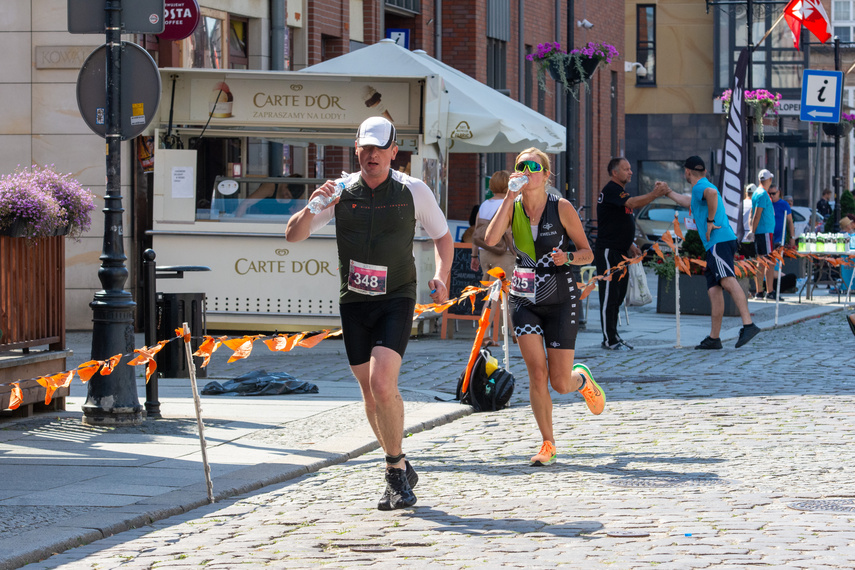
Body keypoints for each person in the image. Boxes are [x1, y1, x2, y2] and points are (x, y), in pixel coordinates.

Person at [285, 116, 453, 510]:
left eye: (380, 148)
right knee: (369, 393)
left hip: (396, 296)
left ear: (395, 152)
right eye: (366, 147)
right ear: (356, 149)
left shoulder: (414, 190)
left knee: (382, 383)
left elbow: (443, 238)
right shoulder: (341, 191)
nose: (372, 155)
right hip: (354, 301)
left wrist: (443, 275)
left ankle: (394, 473)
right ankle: (401, 461)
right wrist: (313, 205)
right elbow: (293, 235)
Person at [484, 147, 605, 467]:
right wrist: (508, 199)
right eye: (520, 166)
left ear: (546, 175)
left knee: (559, 382)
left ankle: (582, 380)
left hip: (560, 300)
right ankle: (547, 443)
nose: (526, 171)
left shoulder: (561, 207)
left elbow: (587, 253)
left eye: (532, 166)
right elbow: (491, 238)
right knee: (537, 373)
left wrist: (569, 258)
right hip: (524, 300)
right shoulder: (513, 207)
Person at [659, 156, 761, 350]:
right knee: (715, 290)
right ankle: (714, 338)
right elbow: (690, 202)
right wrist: (669, 192)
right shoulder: (701, 188)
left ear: (687, 172)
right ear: (704, 171)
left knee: (728, 280)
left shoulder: (701, 187)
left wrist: (709, 221)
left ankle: (748, 325)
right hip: (718, 243)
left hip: (718, 242)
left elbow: (712, 194)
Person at [594, 157, 668, 350]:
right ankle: (608, 339)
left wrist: (631, 243)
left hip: (622, 251)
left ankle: (614, 336)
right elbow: (633, 203)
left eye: (630, 168)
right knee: (609, 296)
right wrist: (654, 194)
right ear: (615, 172)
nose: (630, 172)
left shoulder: (621, 191)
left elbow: (620, 220)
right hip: (608, 251)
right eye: (626, 169)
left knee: (618, 296)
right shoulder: (611, 189)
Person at [472, 170, 516, 278]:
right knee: (500, 289)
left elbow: (476, 231)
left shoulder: (484, 205)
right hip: (503, 253)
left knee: (487, 286)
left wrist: (474, 256)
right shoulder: (508, 204)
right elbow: (508, 231)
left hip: (484, 252)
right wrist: (514, 251)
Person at [751, 169, 776, 299]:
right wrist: (752, 230)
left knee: (761, 261)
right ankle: (769, 291)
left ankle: (759, 291)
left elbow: (752, 214)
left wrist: (752, 230)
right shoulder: (762, 194)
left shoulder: (756, 193)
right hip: (765, 231)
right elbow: (757, 214)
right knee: (769, 262)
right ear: (769, 180)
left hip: (762, 231)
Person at [234, 174, 304, 217]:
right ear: (285, 184)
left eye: (290, 198)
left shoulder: (297, 193)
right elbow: (246, 203)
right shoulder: (270, 186)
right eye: (286, 194)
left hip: (280, 220)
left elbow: (300, 212)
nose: (286, 197)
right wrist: (236, 223)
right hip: (259, 217)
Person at [770, 184, 795, 249]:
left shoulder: (784, 204)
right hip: (769, 235)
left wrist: (792, 237)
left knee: (778, 256)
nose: (771, 196)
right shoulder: (767, 203)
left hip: (780, 237)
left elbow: (790, 221)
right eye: (769, 194)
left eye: (773, 193)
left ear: (778, 192)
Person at [738, 183, 756, 258]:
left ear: (746, 193)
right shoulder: (755, 204)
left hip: (740, 237)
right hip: (752, 238)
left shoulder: (740, 204)